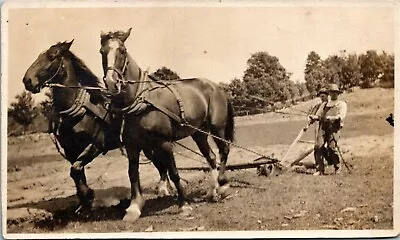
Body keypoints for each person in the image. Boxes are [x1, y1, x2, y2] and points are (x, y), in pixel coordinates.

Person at [309, 84, 347, 175]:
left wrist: (332, 118)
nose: (333, 94)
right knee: (318, 146)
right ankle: (319, 169)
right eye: (331, 92)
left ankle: (337, 167)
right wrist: (314, 117)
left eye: (335, 93)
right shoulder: (325, 104)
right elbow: (319, 116)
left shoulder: (341, 104)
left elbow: (341, 116)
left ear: (338, 94)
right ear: (329, 93)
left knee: (331, 147)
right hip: (323, 127)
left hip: (334, 128)